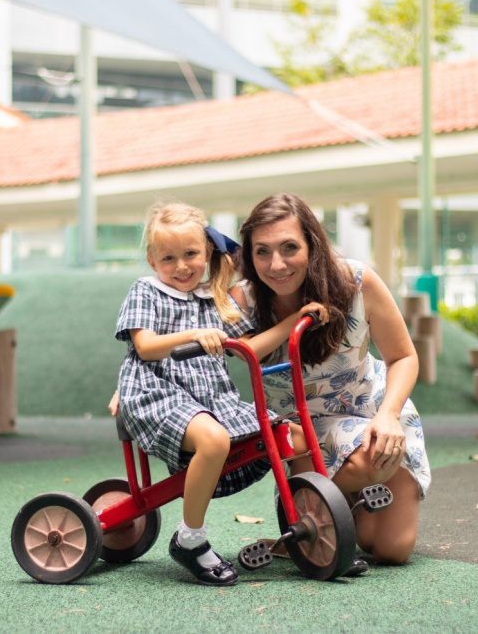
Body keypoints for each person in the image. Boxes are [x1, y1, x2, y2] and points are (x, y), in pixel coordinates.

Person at [114, 202, 326, 586]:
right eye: (168, 258)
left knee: (291, 436)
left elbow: (251, 347)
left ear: (207, 252)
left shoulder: (214, 300)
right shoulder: (146, 290)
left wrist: (295, 321)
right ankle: (190, 539)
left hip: (211, 399)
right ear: (151, 259)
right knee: (214, 440)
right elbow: (144, 347)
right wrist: (194, 335)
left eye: (191, 254)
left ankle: (314, 526)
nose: (181, 266)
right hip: (157, 393)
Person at [231, 192, 431, 565]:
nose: (276, 264)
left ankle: (324, 514)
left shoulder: (355, 282)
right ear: (249, 253)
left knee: (390, 550)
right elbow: (192, 345)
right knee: (358, 484)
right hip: (302, 432)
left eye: (290, 247)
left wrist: (389, 415)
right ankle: (326, 510)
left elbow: (403, 356)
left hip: (371, 411)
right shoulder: (241, 300)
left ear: (313, 244)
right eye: (262, 251)